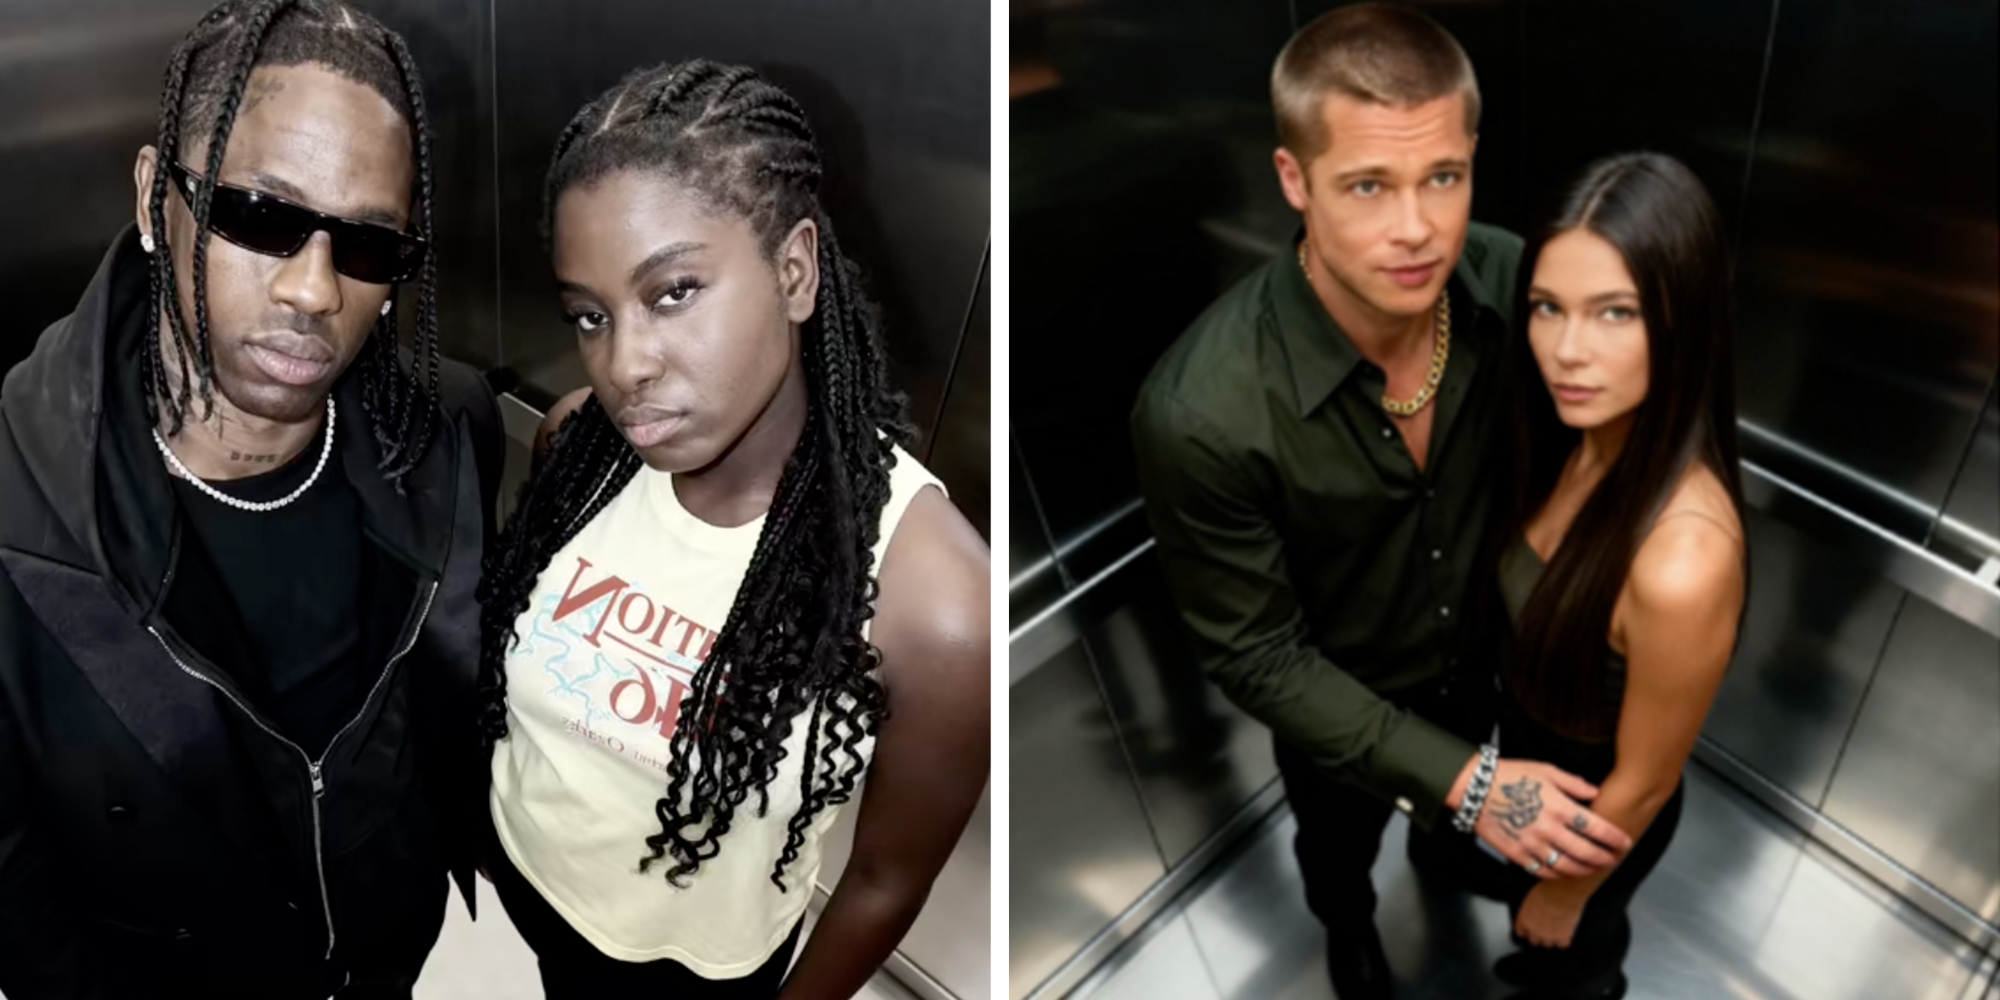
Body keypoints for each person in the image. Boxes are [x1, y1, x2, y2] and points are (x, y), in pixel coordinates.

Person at [0, 1, 502, 997]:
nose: (314, 291)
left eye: (366, 246)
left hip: (386, 952)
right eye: (261, 217)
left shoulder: (445, 430)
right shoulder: (17, 510)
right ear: (155, 201)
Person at [1131, 6, 1634, 998]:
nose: (1415, 228)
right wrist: (1471, 785)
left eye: (1440, 176)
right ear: (1293, 181)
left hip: (1488, 667)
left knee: (1447, 839)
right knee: (1335, 848)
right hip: (1335, 702)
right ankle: (1348, 933)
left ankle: (1443, 858)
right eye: (1367, 185)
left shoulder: (1511, 281)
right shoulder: (1201, 411)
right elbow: (1254, 651)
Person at [477, 60, 991, 999]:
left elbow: (882, 881)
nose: (624, 363)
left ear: (793, 270)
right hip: (531, 882)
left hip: (696, 969)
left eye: (673, 291)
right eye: (591, 314)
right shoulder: (578, 445)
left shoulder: (930, 593)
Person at [1479, 151, 1747, 1000]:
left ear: (1683, 323)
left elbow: (1646, 780)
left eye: (1615, 313)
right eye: (1548, 308)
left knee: (1575, 971)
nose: (1567, 350)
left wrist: (1567, 891)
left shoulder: (1682, 560)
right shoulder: (1572, 434)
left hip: (1598, 823)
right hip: (1531, 773)